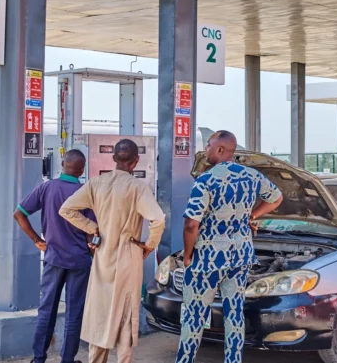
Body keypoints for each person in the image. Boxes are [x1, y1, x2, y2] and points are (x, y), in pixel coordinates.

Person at [176, 130, 284, 363]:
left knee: (194, 317)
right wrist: (252, 215)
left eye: (208, 146)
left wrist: (187, 255)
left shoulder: (205, 180)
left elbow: (191, 224)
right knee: (234, 314)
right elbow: (276, 198)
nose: (206, 150)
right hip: (241, 256)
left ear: (221, 149)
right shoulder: (252, 176)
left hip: (207, 259)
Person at [59, 139, 165, 363]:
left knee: (101, 311)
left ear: (114, 159)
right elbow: (158, 219)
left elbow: (66, 209)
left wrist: (93, 228)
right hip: (129, 254)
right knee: (126, 314)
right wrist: (149, 245)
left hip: (103, 252)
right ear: (136, 161)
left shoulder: (96, 183)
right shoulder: (137, 187)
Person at [14, 150, 94, 363]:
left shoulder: (46, 187)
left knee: (46, 309)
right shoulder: (85, 192)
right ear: (82, 168)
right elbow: (92, 232)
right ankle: (67, 359)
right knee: (74, 312)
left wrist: (36, 240)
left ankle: (38, 358)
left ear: (63, 164)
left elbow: (19, 213)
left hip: (53, 258)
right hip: (79, 261)